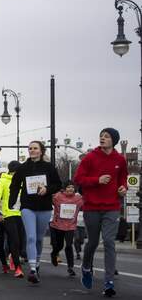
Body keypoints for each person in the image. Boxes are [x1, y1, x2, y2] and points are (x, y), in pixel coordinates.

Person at [74, 127, 128, 297]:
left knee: (109, 242)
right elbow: (78, 179)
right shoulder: (90, 158)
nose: (102, 138)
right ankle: (86, 267)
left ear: (114, 140)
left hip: (112, 207)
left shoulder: (120, 159)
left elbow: (123, 180)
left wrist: (123, 188)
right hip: (92, 207)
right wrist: (97, 180)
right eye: (101, 136)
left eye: (106, 136)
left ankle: (109, 282)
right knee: (92, 243)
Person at [8, 140, 62, 284]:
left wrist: (47, 190)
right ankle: (32, 269)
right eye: (30, 148)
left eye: (35, 148)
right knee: (31, 237)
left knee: (38, 239)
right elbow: (14, 185)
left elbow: (58, 184)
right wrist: (12, 202)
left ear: (41, 151)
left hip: (44, 207)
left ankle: (36, 264)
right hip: (27, 207)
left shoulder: (48, 167)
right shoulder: (23, 168)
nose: (32, 150)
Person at [0, 161, 24, 278]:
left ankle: (14, 259)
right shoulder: (3, 181)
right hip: (7, 215)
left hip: (21, 214)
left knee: (21, 242)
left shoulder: (22, 182)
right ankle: (16, 267)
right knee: (12, 241)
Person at [49, 181, 83, 277]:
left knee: (68, 245)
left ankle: (70, 267)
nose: (71, 189)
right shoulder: (57, 196)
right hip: (57, 226)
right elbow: (48, 196)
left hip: (70, 226)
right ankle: (54, 254)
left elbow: (86, 199)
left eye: (72, 187)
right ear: (64, 189)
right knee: (59, 246)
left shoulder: (78, 198)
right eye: (68, 187)